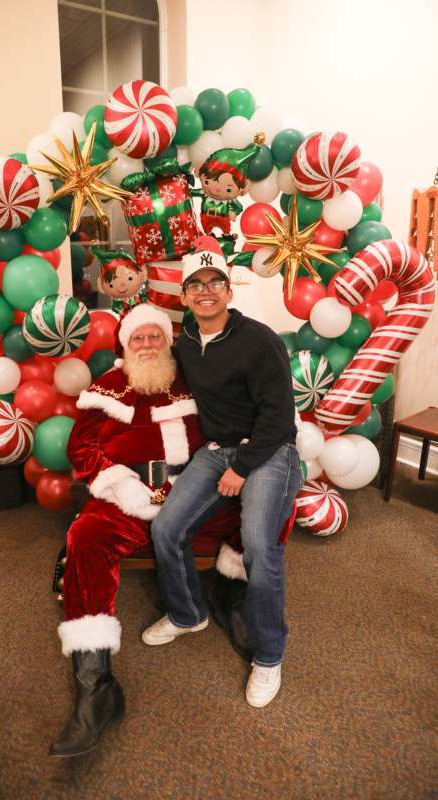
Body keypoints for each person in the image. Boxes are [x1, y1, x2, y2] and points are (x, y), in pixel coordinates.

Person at [50, 303, 239, 758]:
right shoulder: (107, 387)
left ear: (167, 342)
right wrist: (120, 483)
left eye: (155, 336)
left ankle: (235, 597)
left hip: (193, 490)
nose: (148, 344)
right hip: (127, 494)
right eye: (139, 337)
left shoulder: (192, 382)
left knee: (259, 508)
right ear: (126, 345)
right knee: (85, 537)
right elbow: (82, 447)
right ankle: (96, 685)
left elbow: (228, 429)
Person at [142, 236, 302, 708]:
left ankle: (269, 655)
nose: (206, 291)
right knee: (166, 528)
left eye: (215, 283)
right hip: (216, 451)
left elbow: (279, 416)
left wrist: (243, 467)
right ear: (185, 296)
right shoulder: (187, 343)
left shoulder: (259, 340)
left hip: (268, 450)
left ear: (229, 291)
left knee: (258, 544)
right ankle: (187, 613)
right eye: (196, 284)